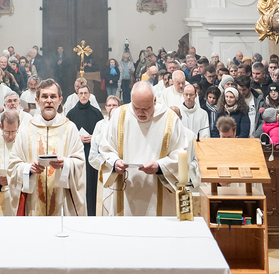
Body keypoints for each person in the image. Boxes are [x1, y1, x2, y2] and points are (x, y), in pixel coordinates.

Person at [100, 81, 188, 216]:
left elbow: (180, 153)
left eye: (146, 108)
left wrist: (160, 166)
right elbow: (106, 147)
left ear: (154, 101)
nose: (141, 112)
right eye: (136, 107)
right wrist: (115, 162)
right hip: (126, 189)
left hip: (159, 191)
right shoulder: (119, 116)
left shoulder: (170, 119)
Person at [8, 79, 86, 216]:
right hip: (33, 203)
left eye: (53, 96)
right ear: (37, 100)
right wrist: (28, 168)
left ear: (60, 100)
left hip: (62, 200)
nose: (49, 100)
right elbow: (13, 165)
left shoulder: (70, 128)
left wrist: (65, 164)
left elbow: (80, 163)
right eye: (44, 96)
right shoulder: (26, 130)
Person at [66, 81, 104, 217]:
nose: (83, 96)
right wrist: (78, 138)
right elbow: (67, 134)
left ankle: (91, 214)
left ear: (89, 95)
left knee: (91, 185)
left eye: (85, 93)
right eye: (80, 93)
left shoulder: (97, 113)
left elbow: (102, 132)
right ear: (77, 95)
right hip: (77, 153)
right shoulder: (71, 114)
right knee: (78, 183)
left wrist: (94, 137)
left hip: (92, 153)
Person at [88, 96, 119, 215]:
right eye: (109, 105)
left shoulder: (125, 124)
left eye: (114, 105)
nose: (112, 108)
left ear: (119, 107)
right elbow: (93, 154)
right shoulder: (100, 125)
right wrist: (106, 164)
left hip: (121, 171)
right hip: (105, 172)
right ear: (105, 107)